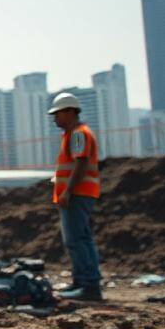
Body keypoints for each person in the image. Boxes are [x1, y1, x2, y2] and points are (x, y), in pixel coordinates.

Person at [49, 92, 103, 301]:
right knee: (82, 239)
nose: (55, 118)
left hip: (77, 195)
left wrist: (68, 191)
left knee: (76, 240)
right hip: (79, 194)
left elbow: (80, 164)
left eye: (58, 114)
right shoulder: (73, 135)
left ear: (70, 112)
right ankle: (82, 282)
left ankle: (88, 286)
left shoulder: (78, 134)